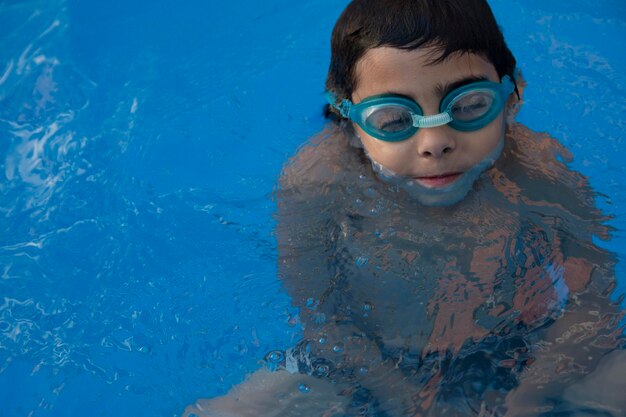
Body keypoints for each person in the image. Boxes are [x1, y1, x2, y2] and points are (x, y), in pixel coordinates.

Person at [185, 1, 625, 415]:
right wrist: (404, 398)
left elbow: (593, 304)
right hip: (366, 362)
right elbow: (323, 320)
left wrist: (530, 395)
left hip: (524, 346)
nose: (436, 142)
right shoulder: (315, 185)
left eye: (470, 106)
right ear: (349, 122)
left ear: (513, 96)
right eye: (394, 120)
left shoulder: (540, 171)